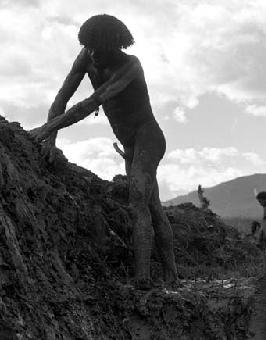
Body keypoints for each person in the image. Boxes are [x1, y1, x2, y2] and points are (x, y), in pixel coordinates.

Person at [29, 14, 177, 289]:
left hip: (148, 138)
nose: (93, 53)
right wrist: (50, 140)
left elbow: (91, 103)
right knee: (153, 205)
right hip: (131, 143)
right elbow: (62, 97)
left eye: (99, 48)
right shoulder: (86, 55)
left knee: (137, 203)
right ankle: (172, 276)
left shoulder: (130, 66)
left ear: (115, 47)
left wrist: (46, 129)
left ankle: (142, 279)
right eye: (89, 46)